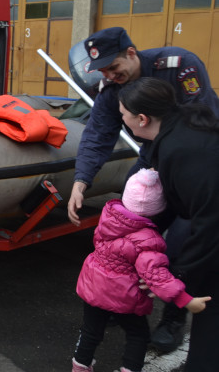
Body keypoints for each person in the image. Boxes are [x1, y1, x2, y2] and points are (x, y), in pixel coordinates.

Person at [67, 27, 219, 351]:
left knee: (180, 241)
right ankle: (117, 296)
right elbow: (98, 134)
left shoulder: (179, 66)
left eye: (113, 66)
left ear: (131, 53)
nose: (109, 75)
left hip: (190, 163)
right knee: (123, 231)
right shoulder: (113, 89)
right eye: (103, 71)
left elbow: (204, 117)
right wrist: (81, 182)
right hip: (152, 161)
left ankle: (174, 316)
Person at [117, 77, 219, 371]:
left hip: (213, 234)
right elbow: (173, 206)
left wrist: (180, 276)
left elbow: (209, 220)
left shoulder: (183, 150)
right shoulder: (177, 130)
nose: (122, 121)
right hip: (209, 228)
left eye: (123, 115)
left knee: (210, 308)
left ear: (142, 118)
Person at [71, 167, 210, 372]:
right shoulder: (149, 240)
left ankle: (80, 367)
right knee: (138, 335)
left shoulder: (108, 217)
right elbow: (157, 276)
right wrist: (186, 300)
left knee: (91, 331)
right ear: (159, 208)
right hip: (125, 296)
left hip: (94, 287)